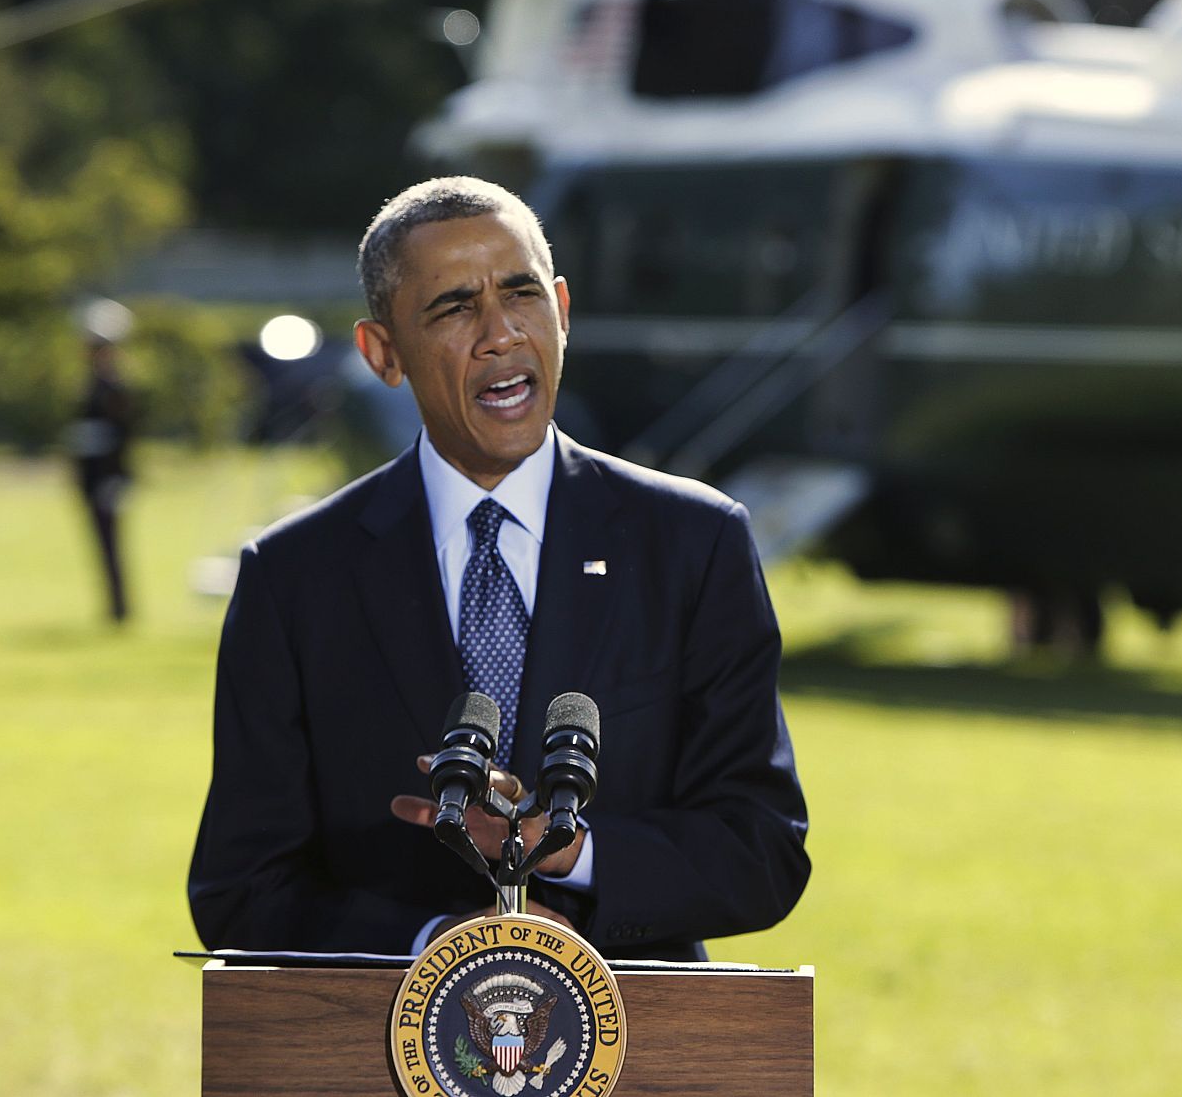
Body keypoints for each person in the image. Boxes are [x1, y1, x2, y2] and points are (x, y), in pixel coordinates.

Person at [188, 177, 809, 961]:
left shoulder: (694, 543)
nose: (500, 334)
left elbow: (762, 849)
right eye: (452, 308)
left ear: (562, 311)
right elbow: (240, 888)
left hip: (642, 1055)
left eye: (520, 295)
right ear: (383, 353)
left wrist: (570, 850)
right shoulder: (294, 577)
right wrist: (438, 948)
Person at [70, 312, 136, 623]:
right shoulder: (91, 385)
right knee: (100, 545)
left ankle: (120, 607)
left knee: (112, 544)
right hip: (90, 476)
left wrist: (116, 477)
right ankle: (113, 606)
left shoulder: (113, 388)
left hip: (106, 477)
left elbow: (123, 435)